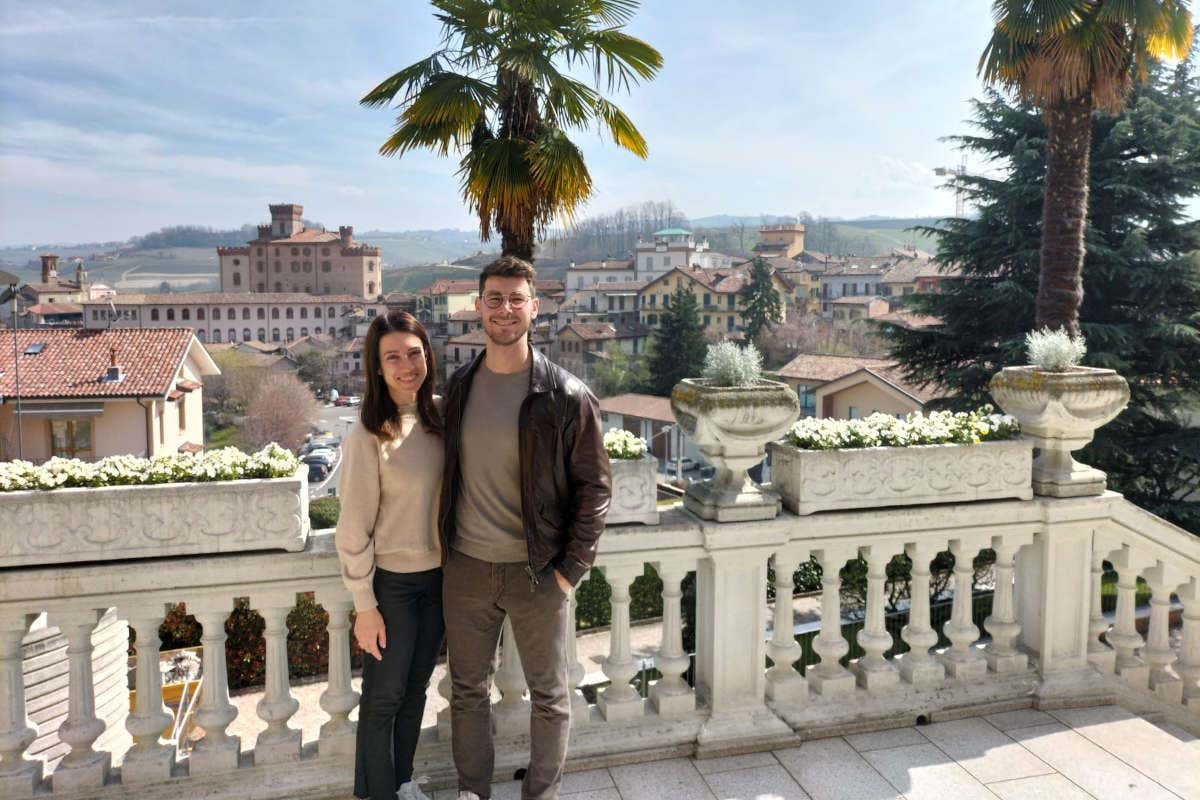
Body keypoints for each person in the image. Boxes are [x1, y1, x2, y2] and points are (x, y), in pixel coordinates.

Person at [439, 256, 611, 800]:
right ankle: (474, 791)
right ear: (479, 307)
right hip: (466, 565)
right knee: (467, 691)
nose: (505, 309)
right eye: (495, 299)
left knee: (550, 694)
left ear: (535, 308)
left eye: (517, 299)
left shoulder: (567, 396)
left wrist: (570, 570)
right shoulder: (462, 384)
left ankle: (541, 793)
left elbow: (595, 489)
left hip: (539, 572)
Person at [335, 310, 445, 800]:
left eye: (414, 353)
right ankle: (376, 793)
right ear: (377, 368)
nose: (407, 365)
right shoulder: (367, 436)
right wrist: (364, 603)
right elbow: (353, 527)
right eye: (393, 357)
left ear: (428, 355)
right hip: (393, 588)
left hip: (441, 581)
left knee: (416, 691)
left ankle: (401, 783)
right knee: (382, 700)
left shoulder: (443, 420)